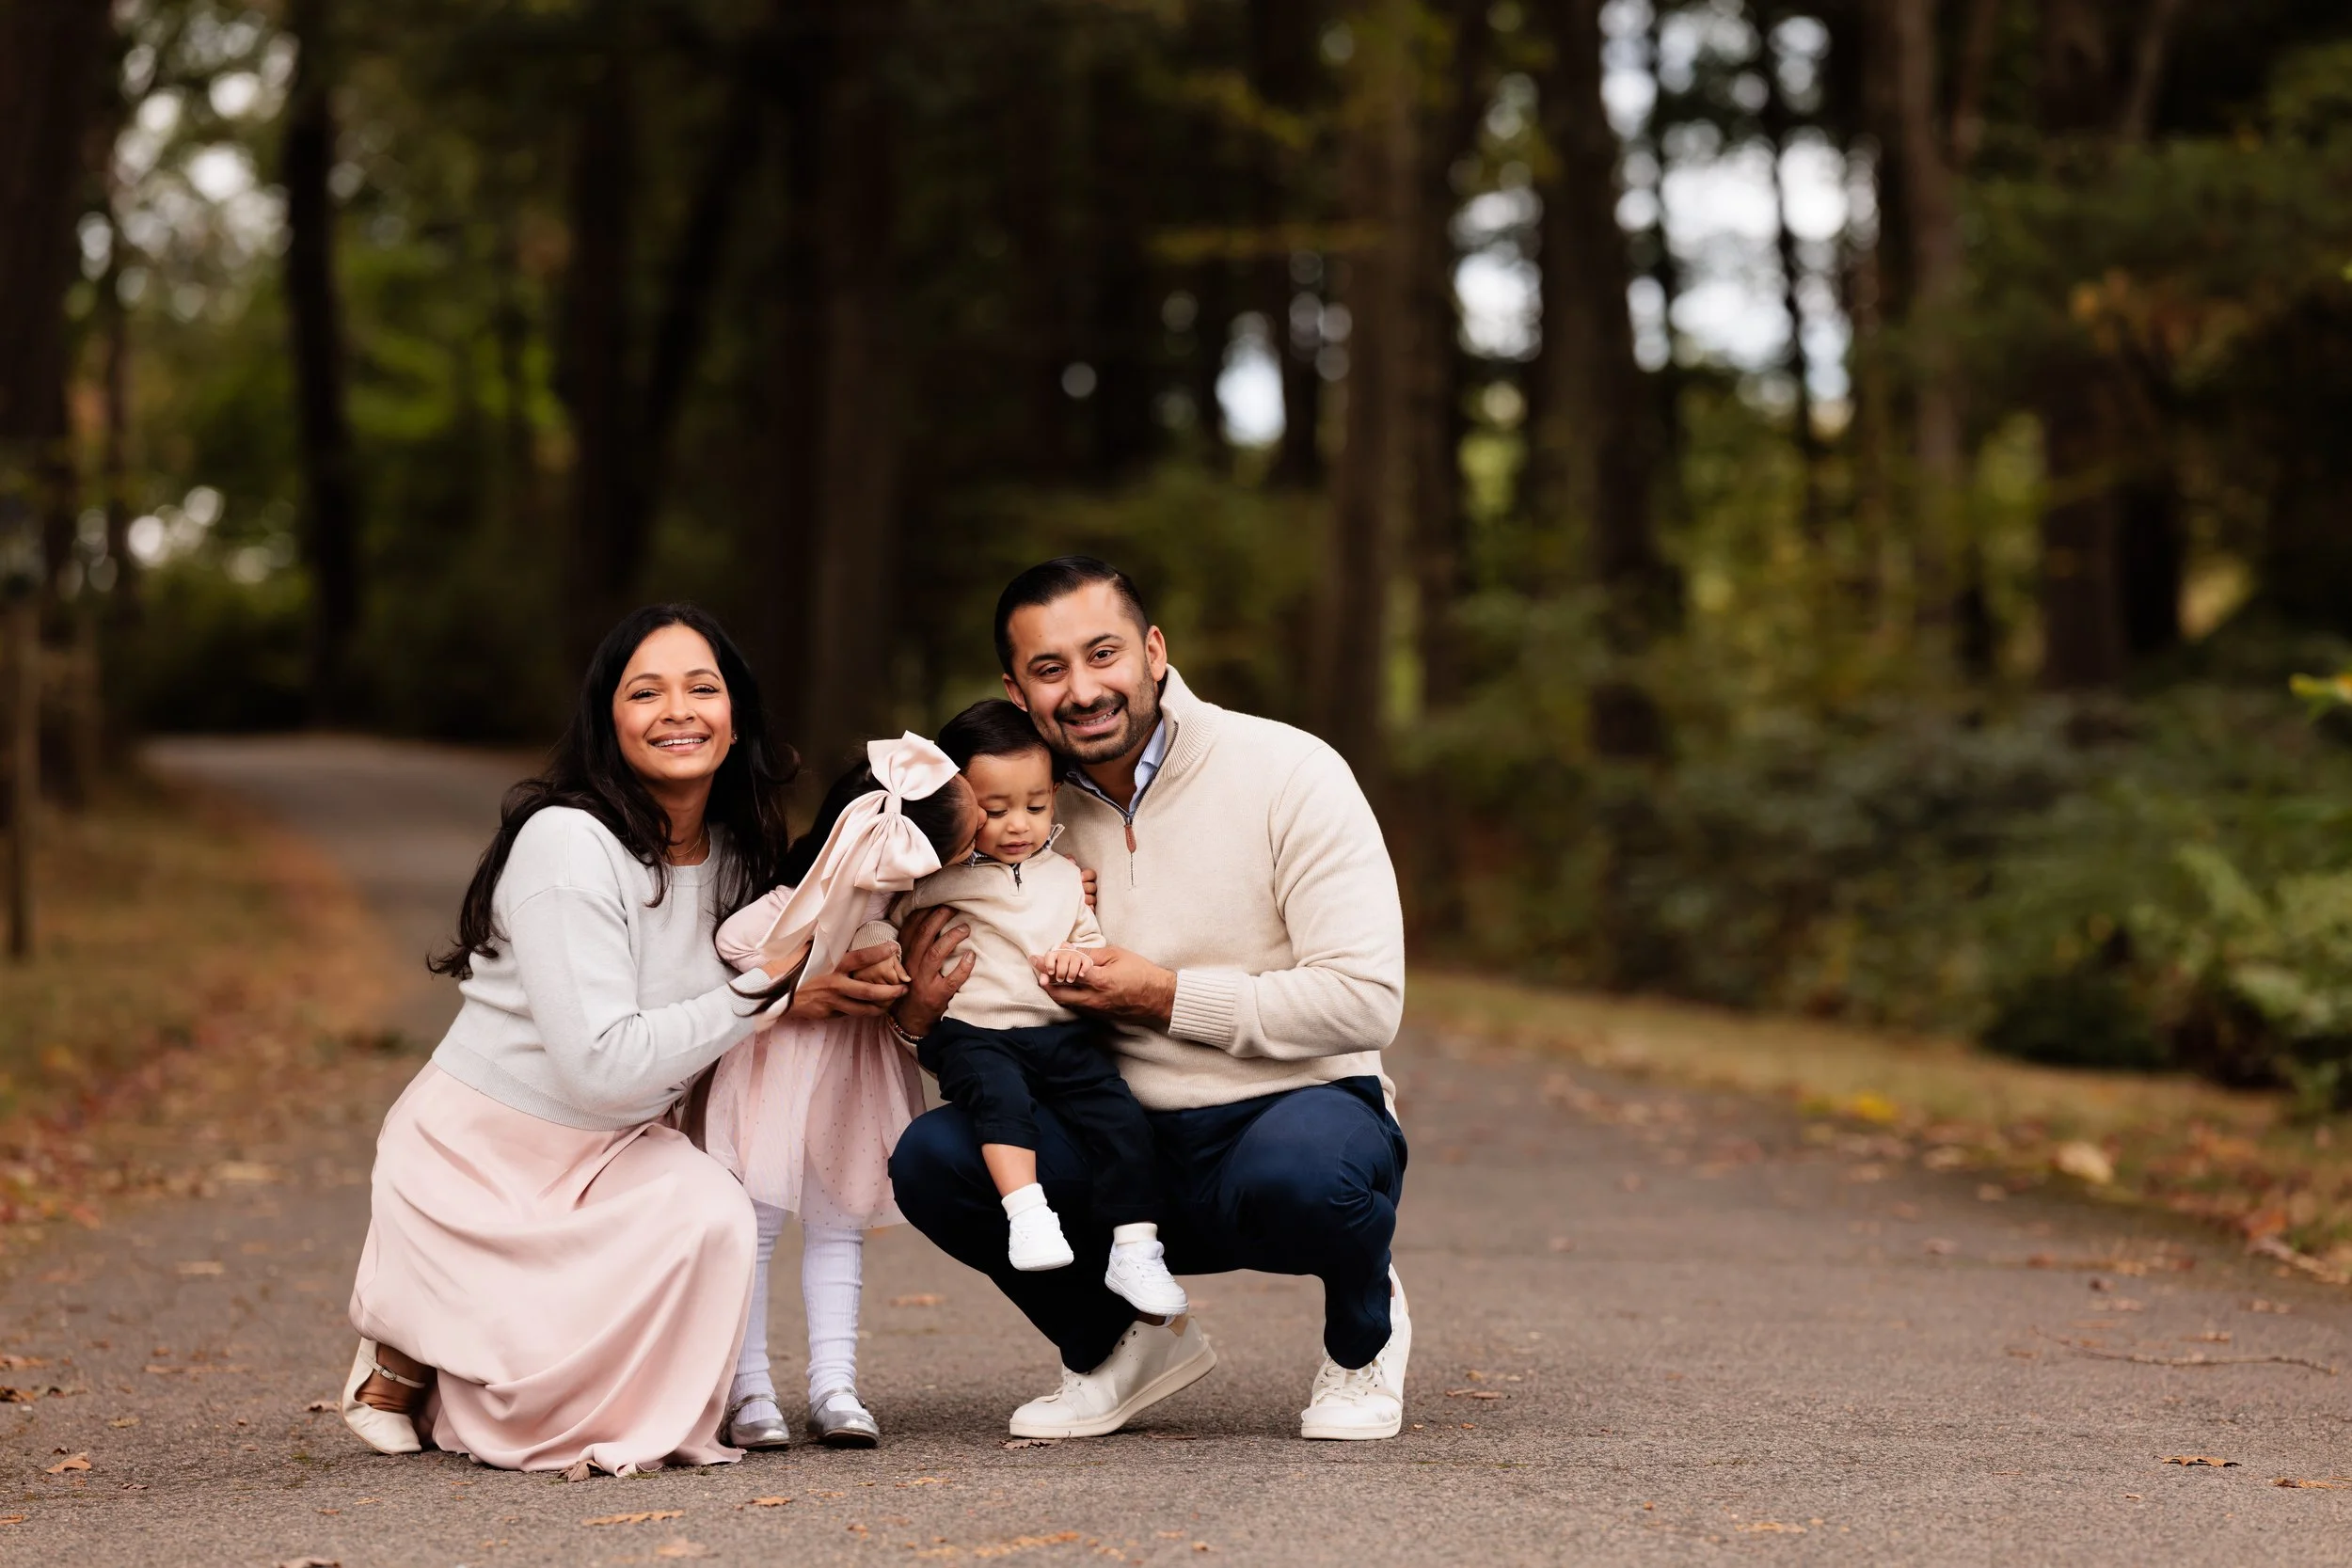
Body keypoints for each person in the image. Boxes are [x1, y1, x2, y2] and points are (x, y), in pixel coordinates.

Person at [341, 604, 909, 1475]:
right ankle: (425, 1330)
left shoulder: (738, 854)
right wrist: (770, 992)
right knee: (541, 1400)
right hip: (483, 1162)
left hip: (618, 1153)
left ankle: (460, 1343)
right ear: (608, 721)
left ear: (737, 718)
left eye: (702, 688)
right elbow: (604, 1066)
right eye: (646, 691)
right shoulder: (567, 843)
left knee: (714, 1217)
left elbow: (801, 968)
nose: (677, 709)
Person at [886, 557, 1412, 1443]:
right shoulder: (999, 816)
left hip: (1283, 1119)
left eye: (1105, 654)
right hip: (1111, 1137)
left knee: (1310, 1178)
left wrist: (1163, 997)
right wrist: (912, 1017)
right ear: (1016, 691)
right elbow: (976, 1009)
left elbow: (1365, 1002)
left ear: (1154, 651)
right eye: (1050, 670)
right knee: (936, 1158)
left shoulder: (1291, 771)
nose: (1084, 689)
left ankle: (1365, 1336)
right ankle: (1120, 1346)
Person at [853, 699, 1186, 1317]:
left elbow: (1086, 938)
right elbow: (879, 923)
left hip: (1054, 1029)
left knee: (1119, 1114)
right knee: (999, 1096)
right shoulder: (935, 877)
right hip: (974, 1031)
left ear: (1055, 794)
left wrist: (1076, 959)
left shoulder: (1062, 874)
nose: (1017, 825)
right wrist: (881, 955)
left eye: (1035, 806)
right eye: (994, 809)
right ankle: (1027, 1212)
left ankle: (1136, 1246)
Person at [698, 737, 981, 1449]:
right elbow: (738, 944)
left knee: (838, 1225)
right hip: (775, 1078)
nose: (977, 847)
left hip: (849, 1082)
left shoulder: (905, 905)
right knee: (755, 1229)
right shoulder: (789, 907)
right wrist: (806, 978)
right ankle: (751, 1388)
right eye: (969, 835)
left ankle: (835, 1385)